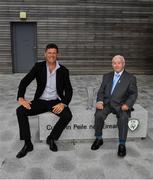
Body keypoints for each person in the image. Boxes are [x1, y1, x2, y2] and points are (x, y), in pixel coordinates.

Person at [16, 43, 73, 158]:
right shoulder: (38, 67)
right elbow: (24, 82)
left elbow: (69, 90)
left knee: (67, 115)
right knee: (20, 111)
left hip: (55, 101)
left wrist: (63, 103)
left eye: (54, 53)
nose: (51, 55)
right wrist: (21, 97)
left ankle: (51, 138)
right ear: (45, 54)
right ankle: (28, 144)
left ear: (57, 54)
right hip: (40, 101)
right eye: (49, 53)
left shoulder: (63, 70)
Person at [91, 55, 138, 157]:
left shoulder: (130, 78)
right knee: (98, 115)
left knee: (123, 118)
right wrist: (99, 101)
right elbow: (101, 91)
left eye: (119, 63)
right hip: (107, 104)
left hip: (121, 105)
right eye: (114, 63)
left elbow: (133, 94)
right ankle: (99, 138)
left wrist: (128, 104)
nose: (116, 65)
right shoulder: (106, 76)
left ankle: (122, 144)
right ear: (112, 64)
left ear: (123, 64)